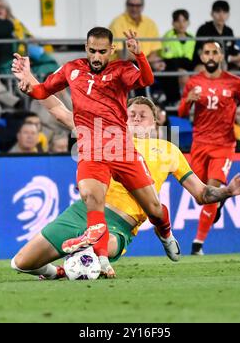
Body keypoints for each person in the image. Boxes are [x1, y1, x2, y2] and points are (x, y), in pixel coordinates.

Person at [11, 96, 240, 280]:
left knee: (101, 246)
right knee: (21, 263)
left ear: (156, 120)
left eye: (143, 115)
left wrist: (228, 192)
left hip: (120, 223)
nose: (136, 118)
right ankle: (63, 271)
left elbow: (202, 194)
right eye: (132, 114)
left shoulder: (169, 150)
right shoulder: (106, 136)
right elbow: (62, 112)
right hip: (81, 212)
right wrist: (36, 84)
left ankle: (93, 254)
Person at [12, 27, 177, 278]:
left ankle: (166, 235)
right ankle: (102, 262)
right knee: (92, 199)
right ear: (86, 48)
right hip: (90, 148)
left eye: (102, 52)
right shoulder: (72, 69)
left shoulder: (121, 69)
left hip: (121, 148)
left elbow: (146, 81)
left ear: (111, 50)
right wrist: (28, 83)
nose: (97, 57)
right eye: (92, 51)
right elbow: (44, 91)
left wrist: (140, 56)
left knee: (154, 209)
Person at [178, 40, 240, 255]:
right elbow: (183, 113)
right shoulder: (194, 82)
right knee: (200, 195)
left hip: (224, 145)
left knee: (213, 186)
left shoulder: (235, 82)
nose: (211, 56)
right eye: (207, 53)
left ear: (221, 57)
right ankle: (219, 202)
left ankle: (197, 245)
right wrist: (188, 101)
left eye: (215, 53)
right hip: (200, 144)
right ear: (202, 57)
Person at [0, 0, 59, 77]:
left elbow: (28, 37)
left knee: (52, 71)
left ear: (7, 10)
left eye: (1, 7)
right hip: (6, 63)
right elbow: (3, 30)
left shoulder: (16, 24)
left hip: (28, 58)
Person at [193, 0, 240, 74]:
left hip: (226, 61)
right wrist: (229, 58)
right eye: (218, 12)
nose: (221, 15)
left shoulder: (229, 31)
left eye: (224, 12)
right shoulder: (203, 29)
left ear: (228, 15)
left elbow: (233, 48)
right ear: (211, 14)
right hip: (207, 62)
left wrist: (239, 56)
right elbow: (201, 51)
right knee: (209, 68)